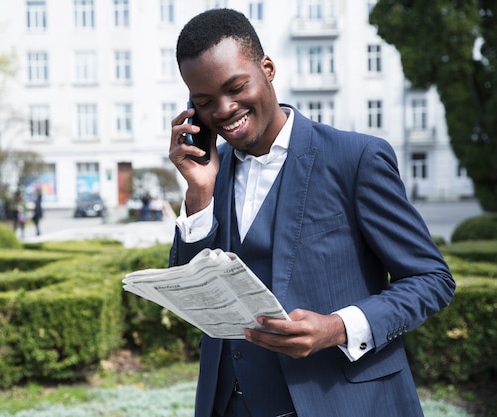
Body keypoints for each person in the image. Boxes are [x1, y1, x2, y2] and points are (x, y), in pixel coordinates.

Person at [168, 8, 455, 417]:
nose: (224, 109)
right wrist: (199, 191)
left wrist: (337, 328)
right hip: (227, 404)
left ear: (267, 68)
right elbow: (194, 296)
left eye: (235, 87)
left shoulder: (355, 158)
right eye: (204, 101)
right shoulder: (212, 170)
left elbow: (432, 279)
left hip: (339, 400)